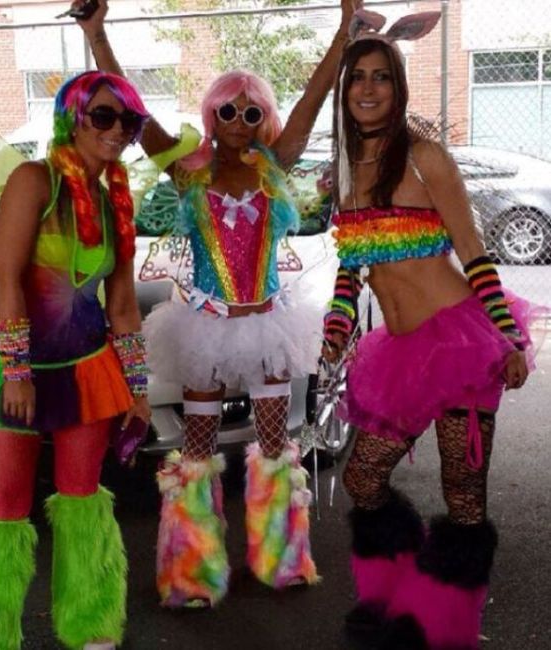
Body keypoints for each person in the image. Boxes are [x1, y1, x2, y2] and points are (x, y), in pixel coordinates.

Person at [77, 0, 360, 608]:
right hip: (205, 326)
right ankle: (191, 571)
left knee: (276, 446)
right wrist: (98, 35)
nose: (238, 120)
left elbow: (312, 102)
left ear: (264, 119)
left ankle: (281, 559)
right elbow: (137, 116)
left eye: (251, 111)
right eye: (227, 110)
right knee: (198, 447)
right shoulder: (190, 173)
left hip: (267, 325)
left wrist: (344, 32)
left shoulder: (274, 167)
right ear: (211, 114)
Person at [322, 9, 537, 650]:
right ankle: (397, 598)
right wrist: (336, 326)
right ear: (345, 91)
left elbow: (474, 252)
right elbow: (351, 266)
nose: (368, 88)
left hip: (462, 344)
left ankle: (440, 627)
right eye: (357, 78)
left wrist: (509, 338)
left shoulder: (425, 158)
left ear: (398, 87)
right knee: (363, 479)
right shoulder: (345, 170)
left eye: (381, 77)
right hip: (400, 355)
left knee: (463, 491)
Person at [0, 70, 152, 650]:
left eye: (129, 120)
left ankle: (91, 621)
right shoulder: (34, 180)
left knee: (83, 498)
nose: (117, 130)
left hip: (87, 369)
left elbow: (123, 305)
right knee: (4, 505)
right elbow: (10, 282)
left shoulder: (114, 201)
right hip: (18, 369)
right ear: (73, 118)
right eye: (103, 116)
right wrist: (17, 372)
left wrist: (138, 387)